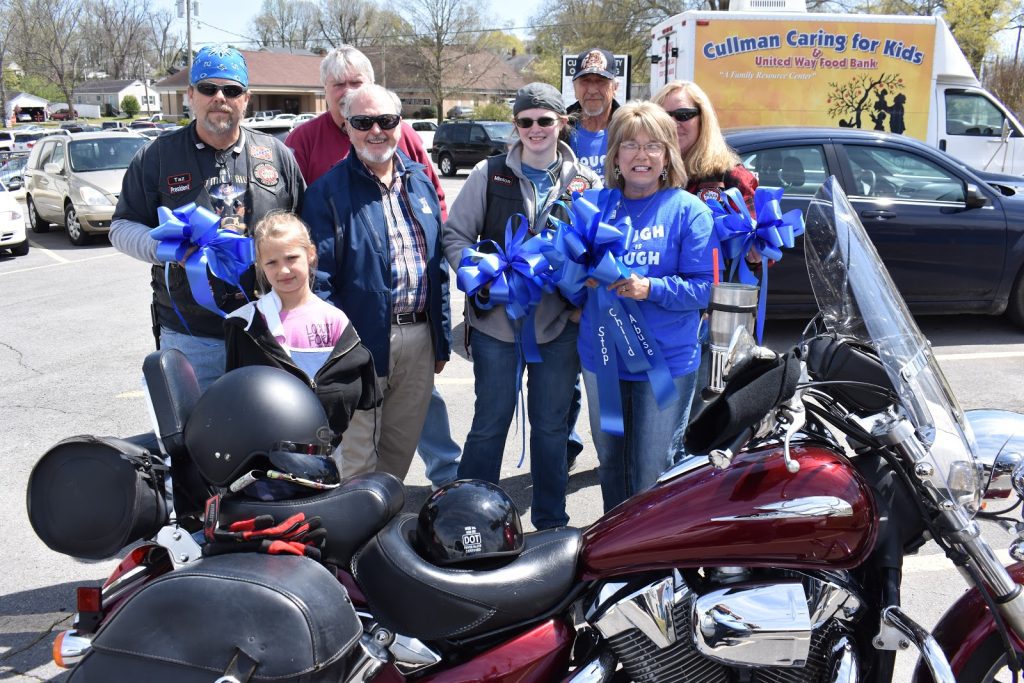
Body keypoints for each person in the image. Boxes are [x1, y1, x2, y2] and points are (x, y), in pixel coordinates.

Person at [286, 44, 459, 488]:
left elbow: (436, 266)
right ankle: (353, 530)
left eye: (386, 120)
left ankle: (381, 523)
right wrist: (335, 350)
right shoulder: (326, 194)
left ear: (400, 124)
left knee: (398, 451)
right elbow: (318, 282)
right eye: (363, 122)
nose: (376, 131)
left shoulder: (419, 182)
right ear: (348, 128)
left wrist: (440, 340)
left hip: (418, 339)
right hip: (359, 340)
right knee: (357, 457)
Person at [443, 82, 601, 530]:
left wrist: (582, 301)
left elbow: (600, 251)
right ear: (515, 126)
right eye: (526, 121)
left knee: (552, 428)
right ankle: (468, 519)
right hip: (497, 326)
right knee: (489, 423)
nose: (536, 129)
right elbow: (456, 236)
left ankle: (552, 524)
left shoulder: (587, 182)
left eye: (545, 120)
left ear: (562, 123)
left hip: (558, 327)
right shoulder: (488, 173)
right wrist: (484, 277)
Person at [111, 45, 304, 391]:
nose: (220, 98)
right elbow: (121, 226)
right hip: (190, 335)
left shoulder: (276, 155)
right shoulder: (157, 156)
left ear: (246, 99)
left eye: (231, 90)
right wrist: (164, 249)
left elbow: (305, 228)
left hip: (271, 327)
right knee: (196, 424)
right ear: (190, 95)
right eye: (208, 88)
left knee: (268, 421)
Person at [579, 101, 715, 513]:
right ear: (615, 155)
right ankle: (612, 543)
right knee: (610, 464)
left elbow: (704, 290)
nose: (641, 155)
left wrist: (650, 288)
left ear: (668, 156)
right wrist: (576, 278)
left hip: (665, 363)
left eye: (653, 145)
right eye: (630, 145)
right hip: (604, 358)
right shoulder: (594, 206)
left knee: (652, 471)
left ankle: (649, 549)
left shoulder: (690, 211)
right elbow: (565, 276)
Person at [224, 211, 376, 442]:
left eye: (291, 258)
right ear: (260, 265)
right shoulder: (246, 323)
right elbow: (237, 394)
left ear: (311, 254)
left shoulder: (334, 320)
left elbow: (352, 391)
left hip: (326, 448)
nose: (283, 270)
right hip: (265, 449)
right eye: (272, 263)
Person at [652, 80, 757, 211]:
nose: (672, 124)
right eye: (664, 116)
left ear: (703, 120)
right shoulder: (644, 174)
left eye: (683, 115)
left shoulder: (732, 178)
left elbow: (749, 223)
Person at [567, 47, 621, 177]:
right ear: (575, 89)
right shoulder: (558, 131)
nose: (592, 90)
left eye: (600, 81)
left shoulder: (629, 129)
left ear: (615, 88)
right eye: (585, 81)